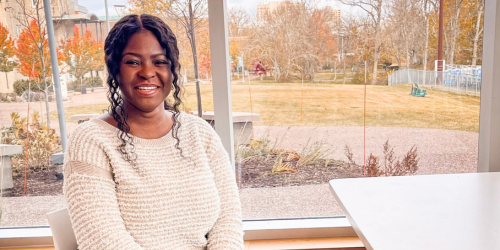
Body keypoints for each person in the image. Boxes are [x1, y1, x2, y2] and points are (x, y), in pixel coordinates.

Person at [63, 14, 244, 249]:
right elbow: (103, 241)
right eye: (133, 62)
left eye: (159, 62)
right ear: (115, 68)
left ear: (172, 70)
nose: (148, 72)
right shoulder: (90, 141)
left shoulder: (200, 132)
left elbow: (228, 219)